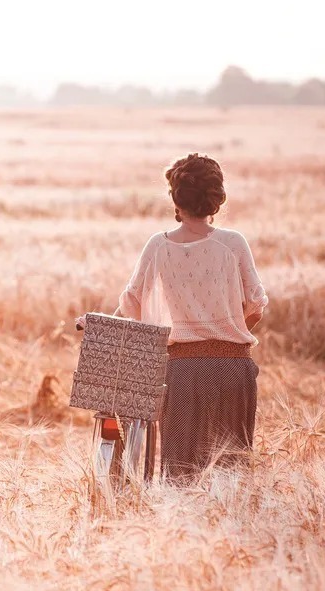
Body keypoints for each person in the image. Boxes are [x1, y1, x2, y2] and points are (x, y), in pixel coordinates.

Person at [113, 153, 268, 478]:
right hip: (232, 370)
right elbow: (256, 305)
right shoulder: (233, 243)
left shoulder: (158, 246)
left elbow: (131, 303)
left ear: (176, 198)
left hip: (180, 372)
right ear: (217, 198)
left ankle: (183, 528)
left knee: (180, 477)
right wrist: (226, 327)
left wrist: (169, 332)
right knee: (231, 477)